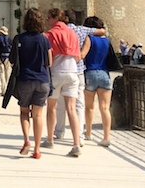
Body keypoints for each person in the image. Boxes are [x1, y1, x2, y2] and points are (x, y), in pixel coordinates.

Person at [53, 11, 106, 141]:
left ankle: (59, 132)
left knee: (60, 104)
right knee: (79, 104)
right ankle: (80, 134)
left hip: (62, 68)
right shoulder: (82, 30)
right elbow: (102, 31)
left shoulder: (58, 31)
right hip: (78, 70)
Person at [11, 8, 51, 159]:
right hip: (42, 80)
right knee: (38, 115)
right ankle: (38, 149)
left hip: (25, 79)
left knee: (24, 112)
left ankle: (27, 140)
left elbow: (13, 61)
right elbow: (50, 62)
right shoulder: (44, 39)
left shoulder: (19, 38)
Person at [43, 8, 82, 157]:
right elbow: (78, 56)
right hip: (73, 72)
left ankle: (50, 139)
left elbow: (48, 56)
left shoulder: (50, 34)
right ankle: (76, 144)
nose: (47, 21)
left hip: (56, 72)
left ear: (54, 18)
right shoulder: (72, 33)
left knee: (51, 108)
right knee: (72, 109)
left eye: (48, 18)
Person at [80, 16, 114, 147]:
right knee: (105, 108)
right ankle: (106, 137)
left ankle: (88, 133)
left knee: (89, 107)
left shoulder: (89, 38)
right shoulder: (107, 40)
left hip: (91, 72)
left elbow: (83, 54)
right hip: (104, 73)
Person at [0, 26, 12, 96]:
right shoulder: (9, 39)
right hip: (7, 57)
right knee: (7, 74)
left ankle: (3, 90)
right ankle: (7, 90)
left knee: (1, 74)